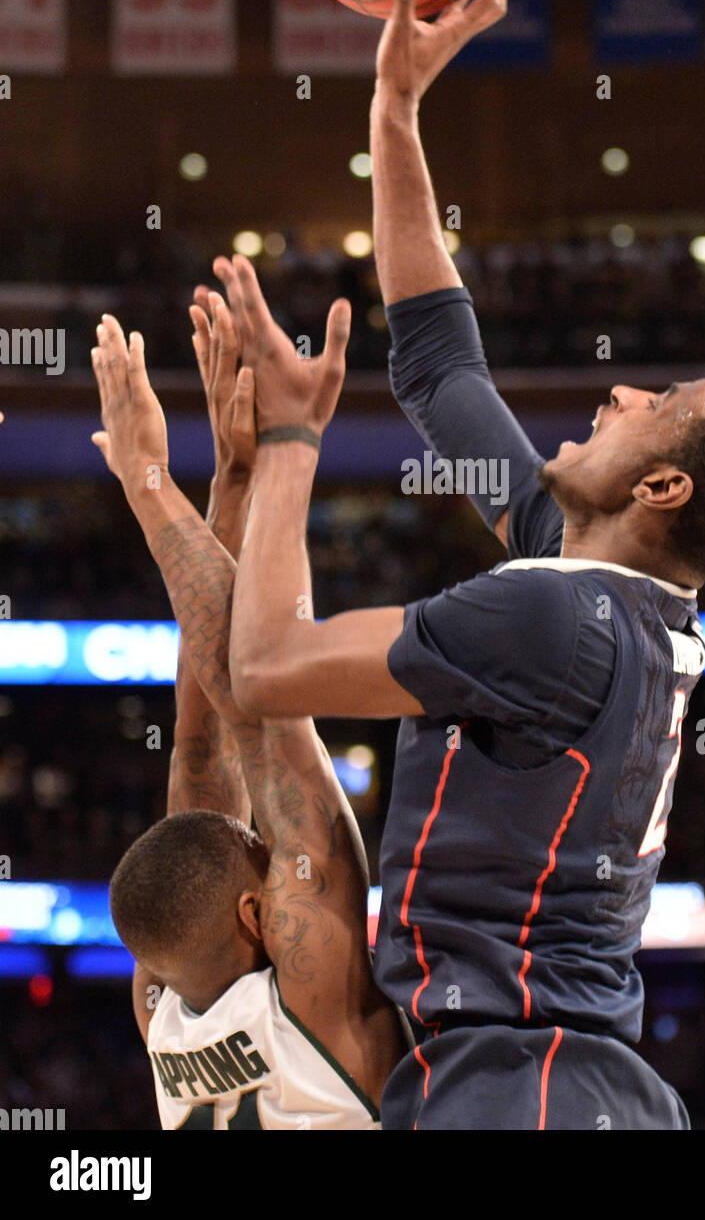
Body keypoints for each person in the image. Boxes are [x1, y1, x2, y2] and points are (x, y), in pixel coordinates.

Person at [223, 0, 705, 1131]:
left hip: (522, 1083)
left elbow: (267, 669)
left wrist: (286, 443)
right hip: (549, 1078)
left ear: (661, 482)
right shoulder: (594, 588)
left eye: (654, 399)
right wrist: (394, 108)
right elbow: (440, 365)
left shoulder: (554, 617)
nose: (617, 390)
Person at [91, 294, 404, 1129]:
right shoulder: (310, 1001)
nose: (275, 848)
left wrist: (230, 479)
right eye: (263, 859)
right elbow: (258, 716)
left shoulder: (162, 1008)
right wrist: (148, 487)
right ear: (254, 914)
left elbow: (202, 749)